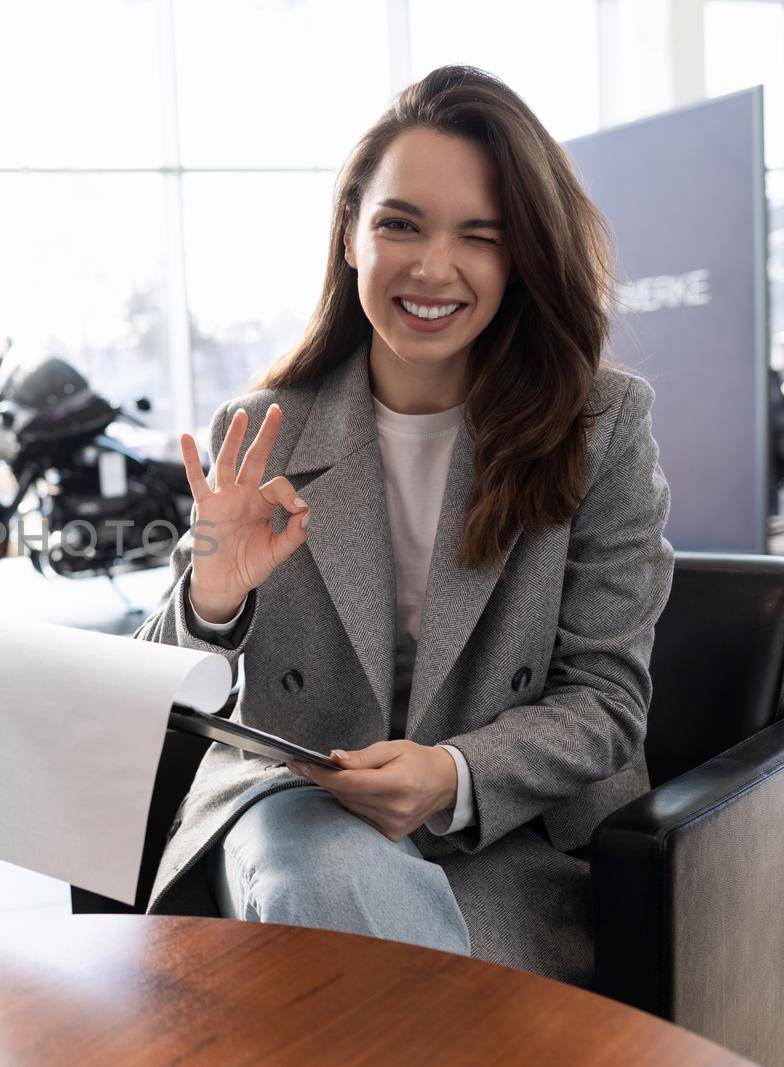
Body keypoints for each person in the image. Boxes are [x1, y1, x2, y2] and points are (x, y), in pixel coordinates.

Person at [133, 64, 675, 987]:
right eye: (400, 224)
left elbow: (608, 700)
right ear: (350, 233)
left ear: (522, 257)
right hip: (287, 815)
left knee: (341, 957)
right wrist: (216, 591)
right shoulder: (262, 429)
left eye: (481, 236)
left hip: (503, 839)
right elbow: (157, 690)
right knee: (320, 864)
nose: (433, 267)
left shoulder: (598, 427)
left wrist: (453, 773)